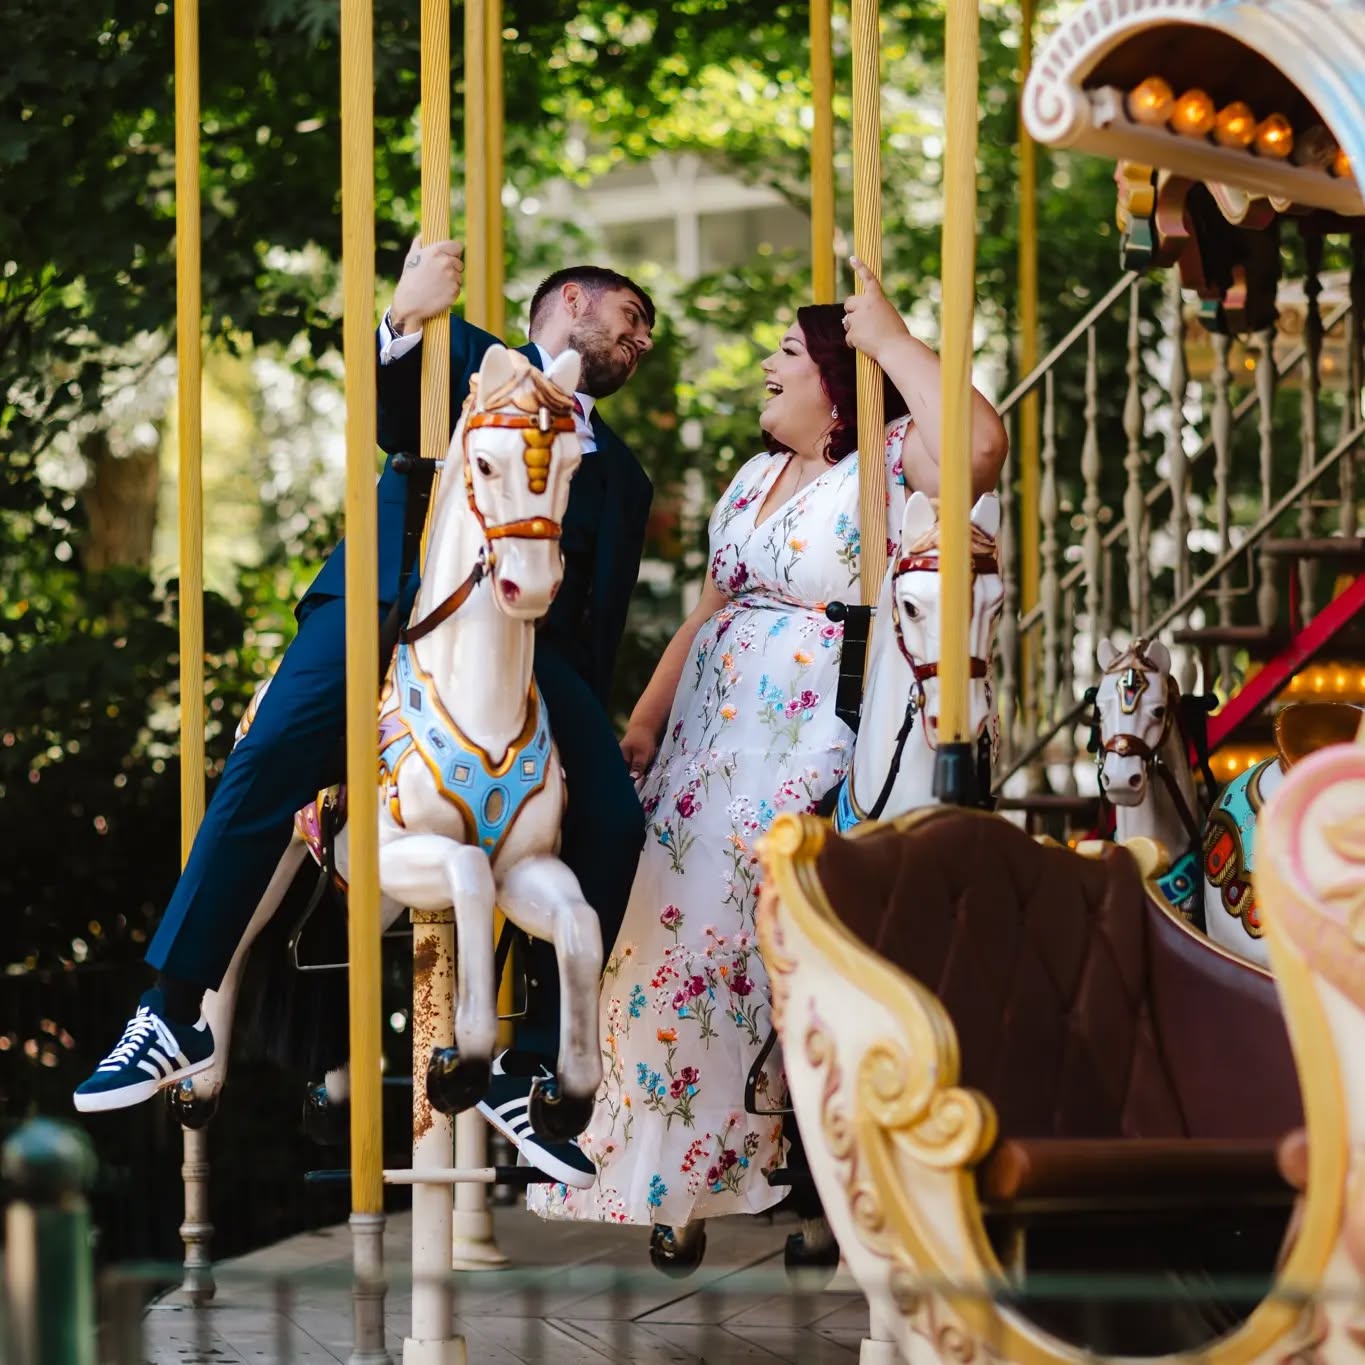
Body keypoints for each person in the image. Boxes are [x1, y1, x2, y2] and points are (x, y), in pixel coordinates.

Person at [74, 239, 656, 1188]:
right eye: (630, 318)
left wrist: (584, 715)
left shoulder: (620, 472)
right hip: (387, 598)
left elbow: (601, 608)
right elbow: (391, 417)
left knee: (615, 821)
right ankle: (174, 1008)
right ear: (573, 302)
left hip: (528, 648)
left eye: (646, 336)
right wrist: (404, 315)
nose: (640, 342)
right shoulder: (469, 357)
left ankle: (529, 1064)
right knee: (269, 756)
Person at [527, 257, 1007, 1231]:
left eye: (787, 351)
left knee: (726, 933)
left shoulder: (888, 461)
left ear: (835, 380)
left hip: (802, 732)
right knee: (646, 935)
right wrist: (645, 722)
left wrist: (891, 340)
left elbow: (982, 449)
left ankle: (747, 1154)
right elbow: (707, 611)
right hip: (703, 740)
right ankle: (640, 1164)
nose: (766, 366)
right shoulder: (751, 480)